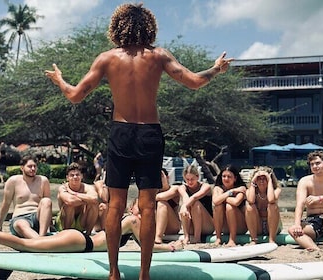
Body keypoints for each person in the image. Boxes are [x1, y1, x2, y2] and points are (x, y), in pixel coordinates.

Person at [45, 4, 232, 279]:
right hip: (149, 133)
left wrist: (60, 80)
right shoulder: (158, 56)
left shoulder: (107, 59)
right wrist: (216, 69)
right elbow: (193, 81)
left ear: (117, 27)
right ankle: (144, 275)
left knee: (114, 205)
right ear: (149, 27)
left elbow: (74, 95)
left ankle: (113, 273)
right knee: (148, 206)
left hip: (120, 133)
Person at [0, 198, 183, 255]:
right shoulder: (131, 221)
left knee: (30, 244)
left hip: (79, 240)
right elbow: (147, 246)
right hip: (81, 243)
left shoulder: (124, 221)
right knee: (28, 245)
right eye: (141, 209)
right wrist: (169, 248)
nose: (144, 213)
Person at [0, 155, 53, 238]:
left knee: (46, 201)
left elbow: (47, 207)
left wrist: (50, 225)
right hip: (20, 217)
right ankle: (40, 241)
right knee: (21, 224)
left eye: (35, 166)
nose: (33, 169)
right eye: (30, 166)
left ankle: (41, 237)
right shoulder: (13, 181)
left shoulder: (43, 180)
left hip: (37, 217)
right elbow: (6, 204)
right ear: (22, 168)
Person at [288, 150, 323, 251]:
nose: (315, 166)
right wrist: (297, 224)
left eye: (318, 163)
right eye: (312, 164)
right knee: (292, 230)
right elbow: (300, 204)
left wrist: (320, 198)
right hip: (314, 221)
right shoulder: (305, 181)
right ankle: (314, 249)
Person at [55, 162, 99, 235]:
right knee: (69, 206)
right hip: (65, 221)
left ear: (81, 176)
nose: (75, 177)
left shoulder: (87, 187)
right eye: (72, 175)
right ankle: (66, 234)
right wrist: (86, 200)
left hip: (81, 220)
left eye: (77, 175)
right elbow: (70, 201)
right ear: (67, 177)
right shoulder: (63, 187)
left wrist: (73, 193)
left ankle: (88, 234)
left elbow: (95, 198)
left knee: (93, 205)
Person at [245, 166, 282, 244]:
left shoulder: (277, 190)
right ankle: (254, 239)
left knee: (272, 206)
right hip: (258, 225)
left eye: (264, 178)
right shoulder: (250, 191)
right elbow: (251, 201)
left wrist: (269, 180)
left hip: (273, 226)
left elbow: (271, 199)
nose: (261, 181)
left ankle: (271, 240)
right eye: (259, 178)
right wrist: (253, 181)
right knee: (250, 207)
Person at [212, 165, 247, 246]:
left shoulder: (241, 188)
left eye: (229, 176)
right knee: (218, 207)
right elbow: (215, 201)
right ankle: (218, 238)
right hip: (224, 226)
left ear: (235, 178)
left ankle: (232, 239)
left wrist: (223, 198)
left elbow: (236, 202)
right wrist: (230, 192)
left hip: (240, 226)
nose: (226, 179)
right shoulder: (218, 188)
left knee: (229, 206)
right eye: (224, 176)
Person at [178, 165, 214, 244]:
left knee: (195, 203)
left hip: (207, 225)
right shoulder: (182, 187)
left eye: (192, 179)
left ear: (197, 177)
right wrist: (185, 207)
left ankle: (197, 238)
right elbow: (185, 197)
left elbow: (195, 197)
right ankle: (186, 236)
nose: (190, 182)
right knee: (186, 205)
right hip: (191, 224)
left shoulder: (205, 186)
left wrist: (184, 206)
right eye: (187, 179)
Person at [154, 168, 181, 244]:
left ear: (167, 177)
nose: (160, 179)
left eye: (162, 176)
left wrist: (148, 197)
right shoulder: (154, 191)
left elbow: (161, 197)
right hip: (156, 224)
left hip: (172, 226)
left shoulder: (175, 189)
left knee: (162, 203)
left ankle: (158, 237)